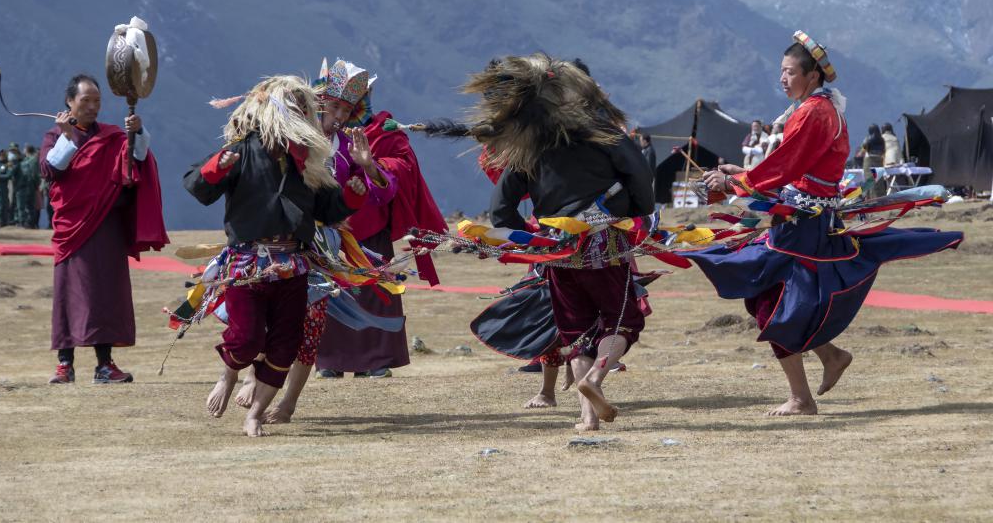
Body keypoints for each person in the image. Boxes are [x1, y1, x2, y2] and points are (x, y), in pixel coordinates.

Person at [692, 31, 962, 416]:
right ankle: (831, 356)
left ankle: (802, 397)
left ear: (812, 76)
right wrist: (747, 174)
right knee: (768, 297)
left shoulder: (815, 112)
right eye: (781, 72)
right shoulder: (817, 109)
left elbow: (787, 165)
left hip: (805, 225)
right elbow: (795, 168)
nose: (783, 79)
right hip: (802, 220)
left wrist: (737, 182)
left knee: (773, 303)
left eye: (789, 72)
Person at [466, 53, 655, 431]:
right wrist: (634, 210)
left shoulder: (530, 145)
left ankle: (587, 420)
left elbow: (501, 208)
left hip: (558, 253)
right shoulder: (604, 132)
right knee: (622, 321)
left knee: (576, 330)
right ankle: (595, 380)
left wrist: (534, 240)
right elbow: (640, 179)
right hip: (604, 244)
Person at [183, 75, 367, 437]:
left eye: (305, 110)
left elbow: (329, 210)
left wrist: (353, 194)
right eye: (296, 108)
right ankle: (229, 373)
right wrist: (215, 168)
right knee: (247, 338)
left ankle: (255, 414)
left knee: (285, 346)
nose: (302, 115)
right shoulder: (242, 149)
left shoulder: (309, 161)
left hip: (293, 265)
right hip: (247, 264)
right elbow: (197, 186)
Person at [314, 59, 447, 381]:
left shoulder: (380, 131)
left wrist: (373, 167)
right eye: (337, 108)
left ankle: (375, 359)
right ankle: (328, 359)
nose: (343, 116)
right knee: (329, 292)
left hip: (370, 225)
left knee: (375, 292)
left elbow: (396, 173)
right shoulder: (306, 140)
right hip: (323, 232)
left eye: (349, 108)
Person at [41, 74, 168, 384]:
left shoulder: (112, 135)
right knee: (69, 293)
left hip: (107, 224)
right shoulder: (55, 135)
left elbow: (136, 160)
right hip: (73, 227)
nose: (93, 107)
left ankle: (104, 365)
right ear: (70, 102)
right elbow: (50, 170)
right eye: (86, 101)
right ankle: (64, 363)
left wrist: (138, 132)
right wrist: (67, 137)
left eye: (97, 101)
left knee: (107, 293)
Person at [17, 144, 41, 229]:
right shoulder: (29, 159)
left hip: (30, 184)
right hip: (28, 184)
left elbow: (35, 174)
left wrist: (36, 184)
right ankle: (29, 222)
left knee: (30, 204)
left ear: (27, 150)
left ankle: (30, 223)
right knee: (28, 204)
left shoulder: (33, 160)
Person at [861, 123, 886, 197]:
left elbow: (864, 147)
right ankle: (880, 196)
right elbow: (883, 150)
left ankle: (871, 197)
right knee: (879, 180)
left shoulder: (868, 138)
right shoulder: (882, 139)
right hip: (879, 160)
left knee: (869, 179)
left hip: (869, 160)